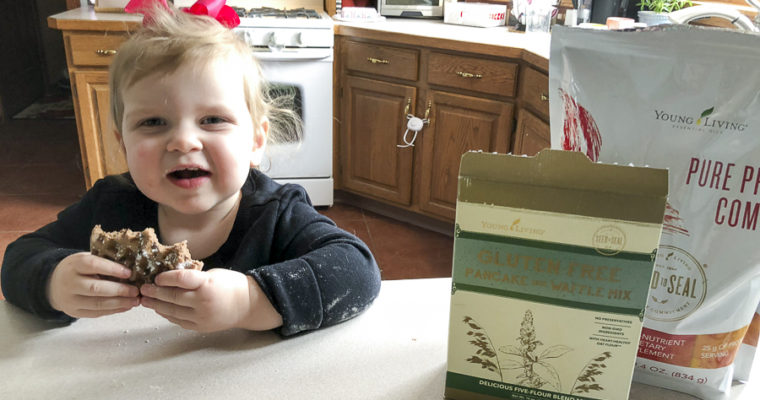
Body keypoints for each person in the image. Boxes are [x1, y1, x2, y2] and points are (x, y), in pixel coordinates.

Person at [0, 2, 381, 336]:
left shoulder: (276, 213)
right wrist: (54, 281)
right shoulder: (111, 205)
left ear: (256, 141)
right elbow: (19, 258)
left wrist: (252, 301)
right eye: (152, 123)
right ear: (123, 144)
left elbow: (357, 270)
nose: (183, 141)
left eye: (213, 119)